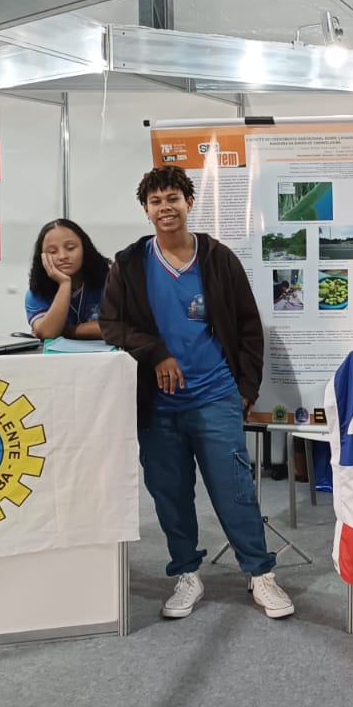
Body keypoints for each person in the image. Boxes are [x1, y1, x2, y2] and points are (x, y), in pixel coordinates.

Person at [100, 166, 294, 622]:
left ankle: (260, 573)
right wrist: (156, 353)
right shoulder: (129, 264)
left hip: (215, 396)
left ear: (189, 202)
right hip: (157, 405)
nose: (165, 208)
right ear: (146, 210)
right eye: (155, 201)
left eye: (173, 198)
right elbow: (112, 325)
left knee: (235, 490)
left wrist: (245, 390)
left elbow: (249, 327)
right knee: (169, 493)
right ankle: (187, 573)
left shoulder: (218, 258)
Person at [25, 219, 109, 340]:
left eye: (70, 248)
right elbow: (48, 333)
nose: (63, 256)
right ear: (42, 257)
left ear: (84, 248)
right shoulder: (37, 292)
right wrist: (64, 283)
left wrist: (66, 331)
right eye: (53, 251)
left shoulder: (110, 281)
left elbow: (118, 327)